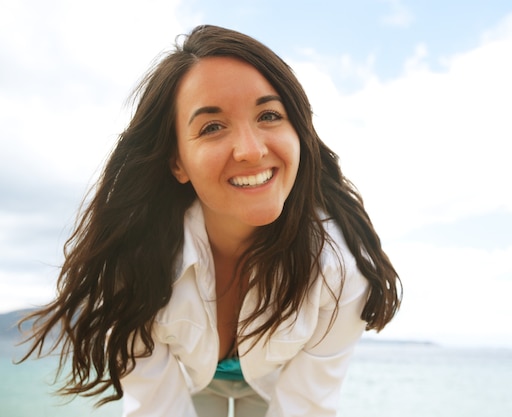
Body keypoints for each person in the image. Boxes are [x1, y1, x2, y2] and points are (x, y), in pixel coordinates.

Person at [19, 25, 402, 417]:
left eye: (269, 115)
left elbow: (306, 407)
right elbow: (155, 407)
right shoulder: (132, 263)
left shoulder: (340, 270)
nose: (251, 151)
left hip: (277, 380)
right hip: (190, 379)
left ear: (299, 133)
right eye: (212, 127)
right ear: (177, 162)